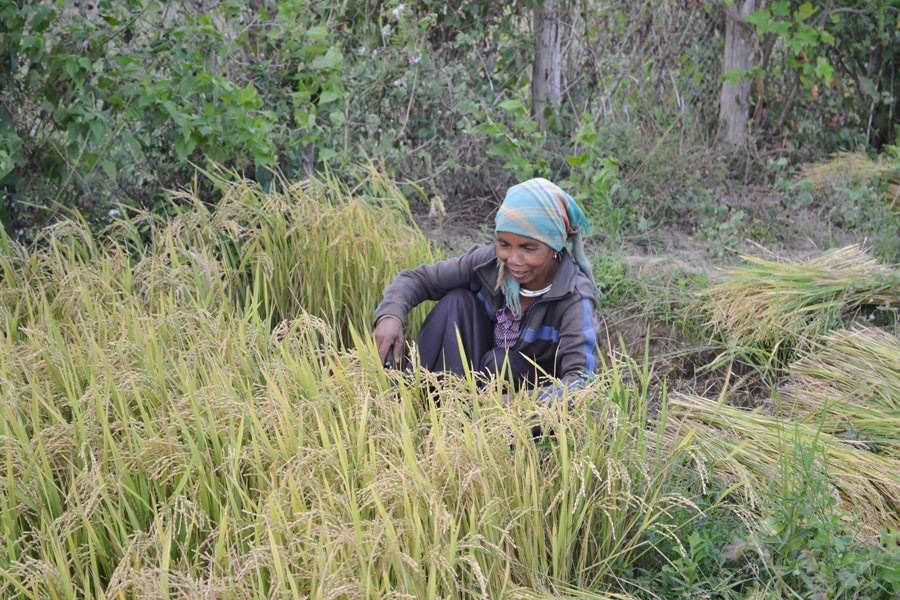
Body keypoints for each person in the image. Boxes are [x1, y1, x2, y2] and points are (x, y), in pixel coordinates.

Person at [372, 178, 602, 399]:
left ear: (554, 247)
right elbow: (418, 279)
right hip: (473, 379)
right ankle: (424, 402)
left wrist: (514, 403)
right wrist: (390, 316)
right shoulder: (489, 264)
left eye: (528, 248)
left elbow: (582, 383)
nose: (513, 259)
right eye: (504, 244)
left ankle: (476, 426)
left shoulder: (573, 295)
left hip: (528, 406)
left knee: (501, 364)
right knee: (457, 302)